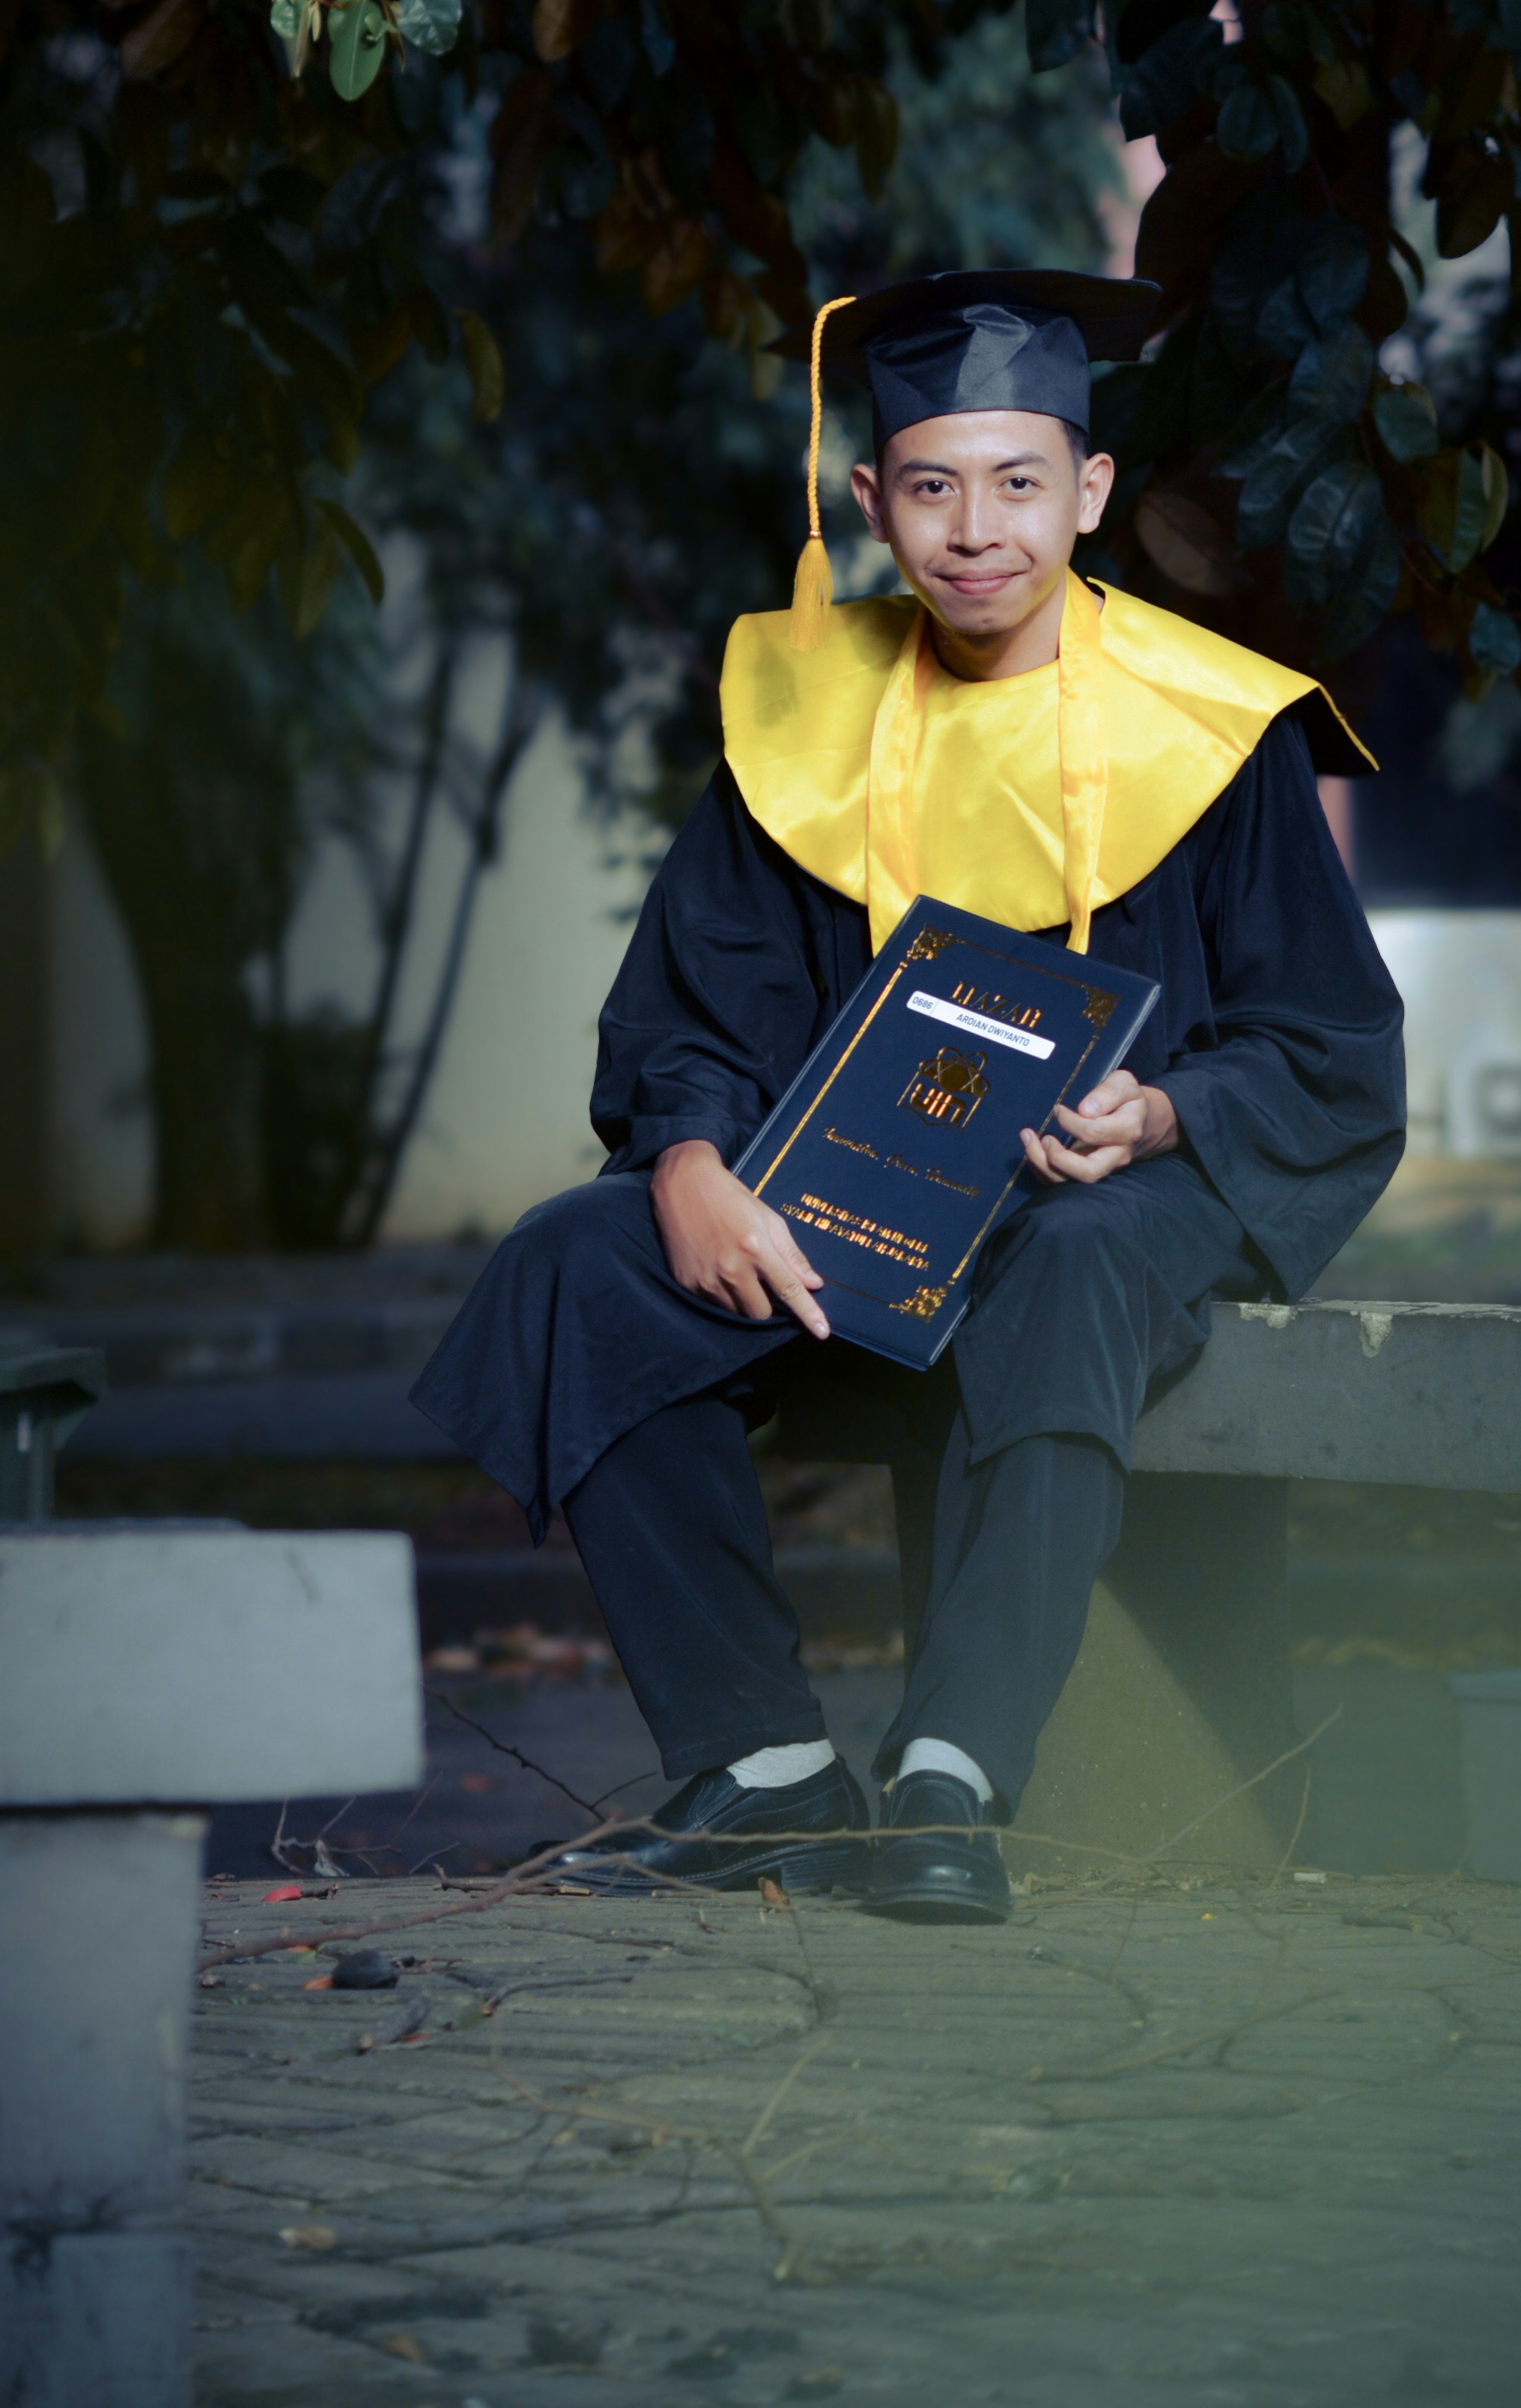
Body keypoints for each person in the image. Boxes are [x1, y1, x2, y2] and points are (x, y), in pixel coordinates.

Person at [411, 271, 1406, 1924]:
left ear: (1090, 491)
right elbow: (694, 1012)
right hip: (846, 1220)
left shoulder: (1213, 731)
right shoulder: (803, 721)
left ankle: (952, 1770)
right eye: (931, 485)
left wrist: (1161, 1118)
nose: (975, 531)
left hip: (1090, 1210)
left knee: (1085, 1258)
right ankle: (760, 1769)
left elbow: (1324, 1045)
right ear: (869, 502)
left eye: (1020, 482)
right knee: (577, 1263)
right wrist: (687, 1162)